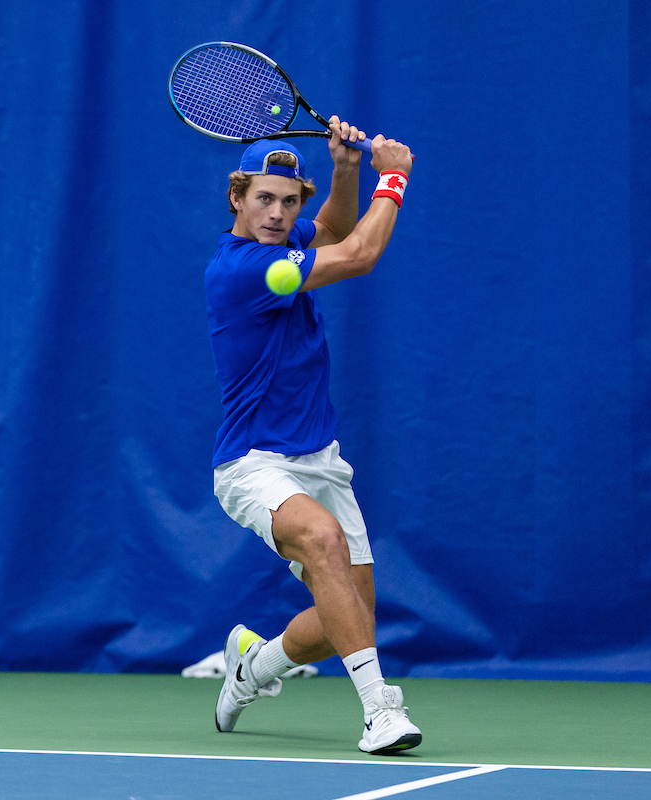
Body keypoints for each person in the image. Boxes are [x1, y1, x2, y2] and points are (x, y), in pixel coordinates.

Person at [204, 117, 420, 754]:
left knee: (344, 622)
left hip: (319, 459)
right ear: (236, 199)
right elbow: (359, 254)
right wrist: (395, 176)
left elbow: (332, 232)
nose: (277, 214)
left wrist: (347, 171)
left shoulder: (287, 239)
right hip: (252, 463)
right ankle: (380, 709)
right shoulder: (242, 270)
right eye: (263, 199)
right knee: (322, 540)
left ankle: (254, 665)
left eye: (288, 201)